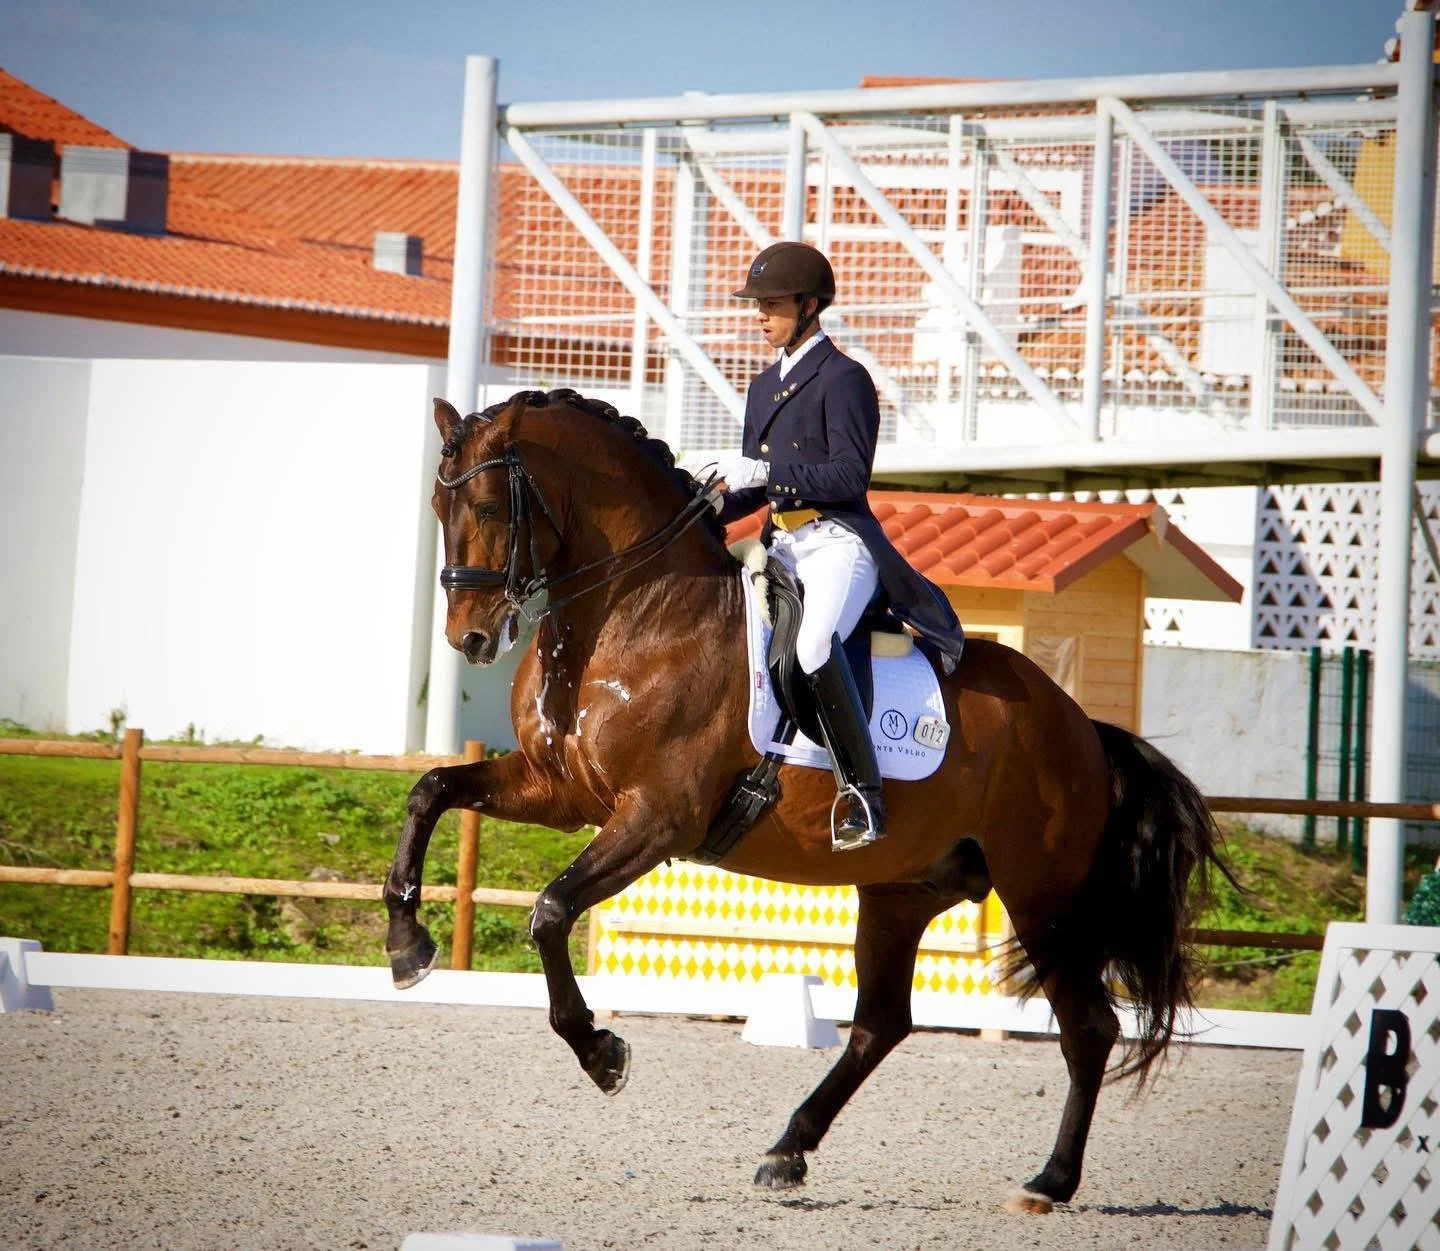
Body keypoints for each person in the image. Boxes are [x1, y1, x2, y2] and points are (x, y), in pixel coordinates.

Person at [713, 241, 966, 852]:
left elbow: (850, 477)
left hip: (838, 543)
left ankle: (863, 793)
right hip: (781, 546)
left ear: (808, 305)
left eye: (771, 304)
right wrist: (707, 501)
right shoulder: (762, 387)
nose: (760, 315)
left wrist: (764, 476)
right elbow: (755, 495)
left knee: (814, 642)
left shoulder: (846, 379)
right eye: (759, 305)